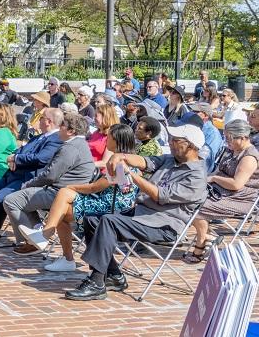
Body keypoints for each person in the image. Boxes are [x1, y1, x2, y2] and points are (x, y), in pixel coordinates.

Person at [64, 122, 208, 301]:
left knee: (109, 221)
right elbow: (145, 161)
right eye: (170, 139)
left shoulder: (196, 177)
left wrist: (131, 175)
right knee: (92, 220)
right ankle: (114, 276)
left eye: (175, 140)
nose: (170, 142)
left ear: (191, 146)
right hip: (142, 214)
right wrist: (120, 156)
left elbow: (158, 195)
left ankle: (96, 282)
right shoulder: (170, 160)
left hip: (163, 225)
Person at [19, 124, 140, 272]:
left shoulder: (119, 163)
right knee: (62, 207)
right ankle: (54, 244)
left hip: (111, 208)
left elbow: (95, 187)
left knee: (63, 195)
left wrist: (72, 187)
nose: (106, 139)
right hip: (107, 202)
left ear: (118, 141)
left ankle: (50, 239)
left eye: (109, 137)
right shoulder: (131, 160)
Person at [0, 108, 64, 242]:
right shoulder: (39, 136)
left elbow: (42, 158)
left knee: (0, 197)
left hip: (29, 177)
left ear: (48, 121)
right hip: (14, 173)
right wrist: (13, 157)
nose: (38, 120)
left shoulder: (56, 138)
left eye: (41, 118)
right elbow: (21, 149)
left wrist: (16, 159)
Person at [2, 113, 96, 255]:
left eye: (62, 126)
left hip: (59, 193)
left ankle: (31, 242)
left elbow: (50, 175)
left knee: (11, 200)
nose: (59, 129)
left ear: (71, 131)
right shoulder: (79, 144)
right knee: (22, 199)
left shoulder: (70, 148)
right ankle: (36, 232)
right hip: (65, 191)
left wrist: (28, 184)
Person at [185, 119, 259, 264]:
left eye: (230, 137)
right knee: (184, 197)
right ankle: (208, 237)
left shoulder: (249, 157)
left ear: (243, 137)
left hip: (239, 198)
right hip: (220, 191)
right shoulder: (231, 150)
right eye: (225, 136)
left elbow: (237, 184)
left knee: (194, 205)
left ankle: (201, 243)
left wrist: (214, 179)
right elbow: (217, 171)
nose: (226, 140)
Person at [186, 102, 223, 172]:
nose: (192, 113)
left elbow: (205, 159)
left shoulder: (212, 133)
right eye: (192, 111)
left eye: (195, 112)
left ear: (206, 115)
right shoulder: (195, 127)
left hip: (198, 171)